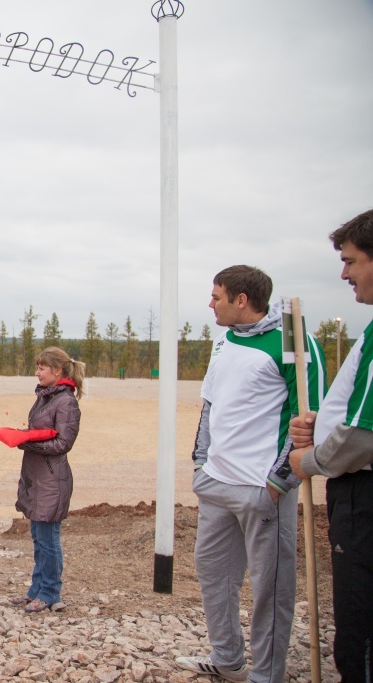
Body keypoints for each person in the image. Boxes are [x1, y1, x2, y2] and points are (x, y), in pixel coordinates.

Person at [175, 265, 325, 683]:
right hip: (216, 483)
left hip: (261, 489)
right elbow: (210, 404)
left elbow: (310, 416)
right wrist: (202, 463)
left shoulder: (295, 341)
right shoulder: (223, 339)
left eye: (216, 296)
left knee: (269, 590)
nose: (210, 304)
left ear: (242, 300)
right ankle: (227, 659)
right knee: (212, 572)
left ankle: (267, 676)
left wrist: (279, 482)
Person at [288, 209, 373, 683]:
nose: (344, 273)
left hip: (363, 497)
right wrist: (326, 424)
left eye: (352, 261)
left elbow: (364, 435)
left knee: (359, 628)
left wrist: (312, 458)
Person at [12, 346, 84, 614]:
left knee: (48, 539)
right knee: (37, 537)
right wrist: (21, 436)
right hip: (36, 476)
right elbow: (39, 432)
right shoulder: (44, 397)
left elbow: (63, 442)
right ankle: (36, 590)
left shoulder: (66, 402)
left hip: (52, 480)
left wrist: (27, 442)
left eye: (41, 368)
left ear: (58, 370)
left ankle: (51, 593)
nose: (37, 372)